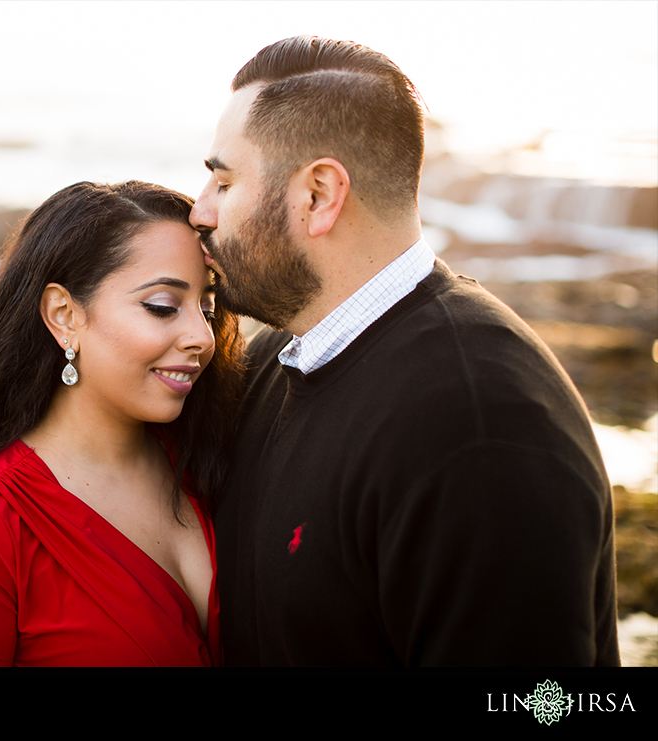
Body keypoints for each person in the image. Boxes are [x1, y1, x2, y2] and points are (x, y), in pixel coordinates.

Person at [190, 36, 620, 666]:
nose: (199, 212)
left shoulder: (480, 428)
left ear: (317, 196)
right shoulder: (276, 360)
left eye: (223, 183)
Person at [0, 180, 245, 666]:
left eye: (207, 308)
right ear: (63, 315)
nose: (201, 337)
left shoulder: (217, 456)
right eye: (164, 306)